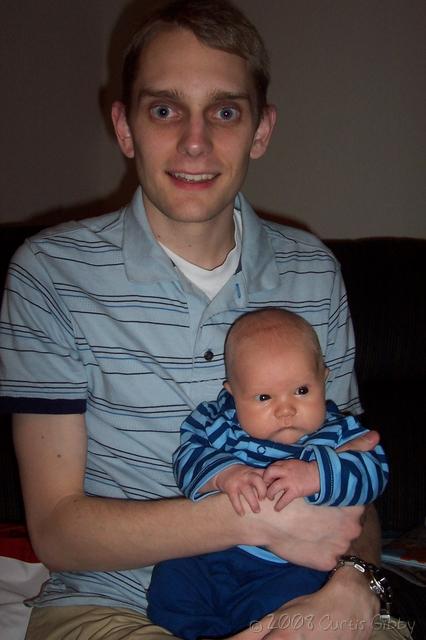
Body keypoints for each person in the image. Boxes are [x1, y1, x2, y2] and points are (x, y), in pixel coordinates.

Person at [0, 1, 411, 638]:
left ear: (261, 130)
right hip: (111, 603)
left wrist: (359, 582)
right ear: (125, 125)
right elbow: (57, 532)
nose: (195, 141)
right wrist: (253, 518)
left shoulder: (313, 271)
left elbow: (353, 465)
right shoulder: (49, 275)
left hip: (306, 592)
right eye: (164, 109)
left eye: (224, 111)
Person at [147, 308, 389, 638]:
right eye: (263, 397)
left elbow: (373, 471)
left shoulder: (337, 433)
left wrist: (316, 476)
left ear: (324, 378)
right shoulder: (218, 424)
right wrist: (224, 474)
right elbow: (189, 456)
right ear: (232, 394)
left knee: (291, 602)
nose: (286, 409)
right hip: (211, 551)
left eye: (302, 390)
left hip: (288, 567)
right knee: (171, 581)